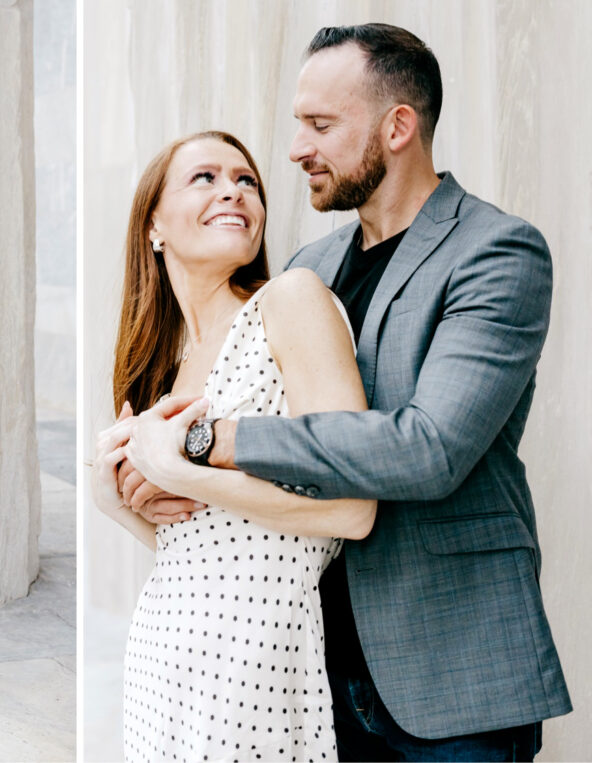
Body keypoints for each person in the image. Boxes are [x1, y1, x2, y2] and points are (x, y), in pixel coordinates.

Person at [123, 24, 571, 760]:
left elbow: (430, 448)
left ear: (398, 127)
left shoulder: (495, 251)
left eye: (320, 125)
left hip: (452, 670)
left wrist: (209, 442)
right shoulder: (311, 265)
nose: (297, 148)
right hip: (314, 670)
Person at [92, 130, 378, 761]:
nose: (235, 191)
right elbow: (204, 547)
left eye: (247, 181)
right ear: (154, 226)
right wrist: (112, 503)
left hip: (257, 665)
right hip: (162, 656)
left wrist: (179, 470)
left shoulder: (290, 300)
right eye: (206, 178)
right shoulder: (164, 367)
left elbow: (354, 512)